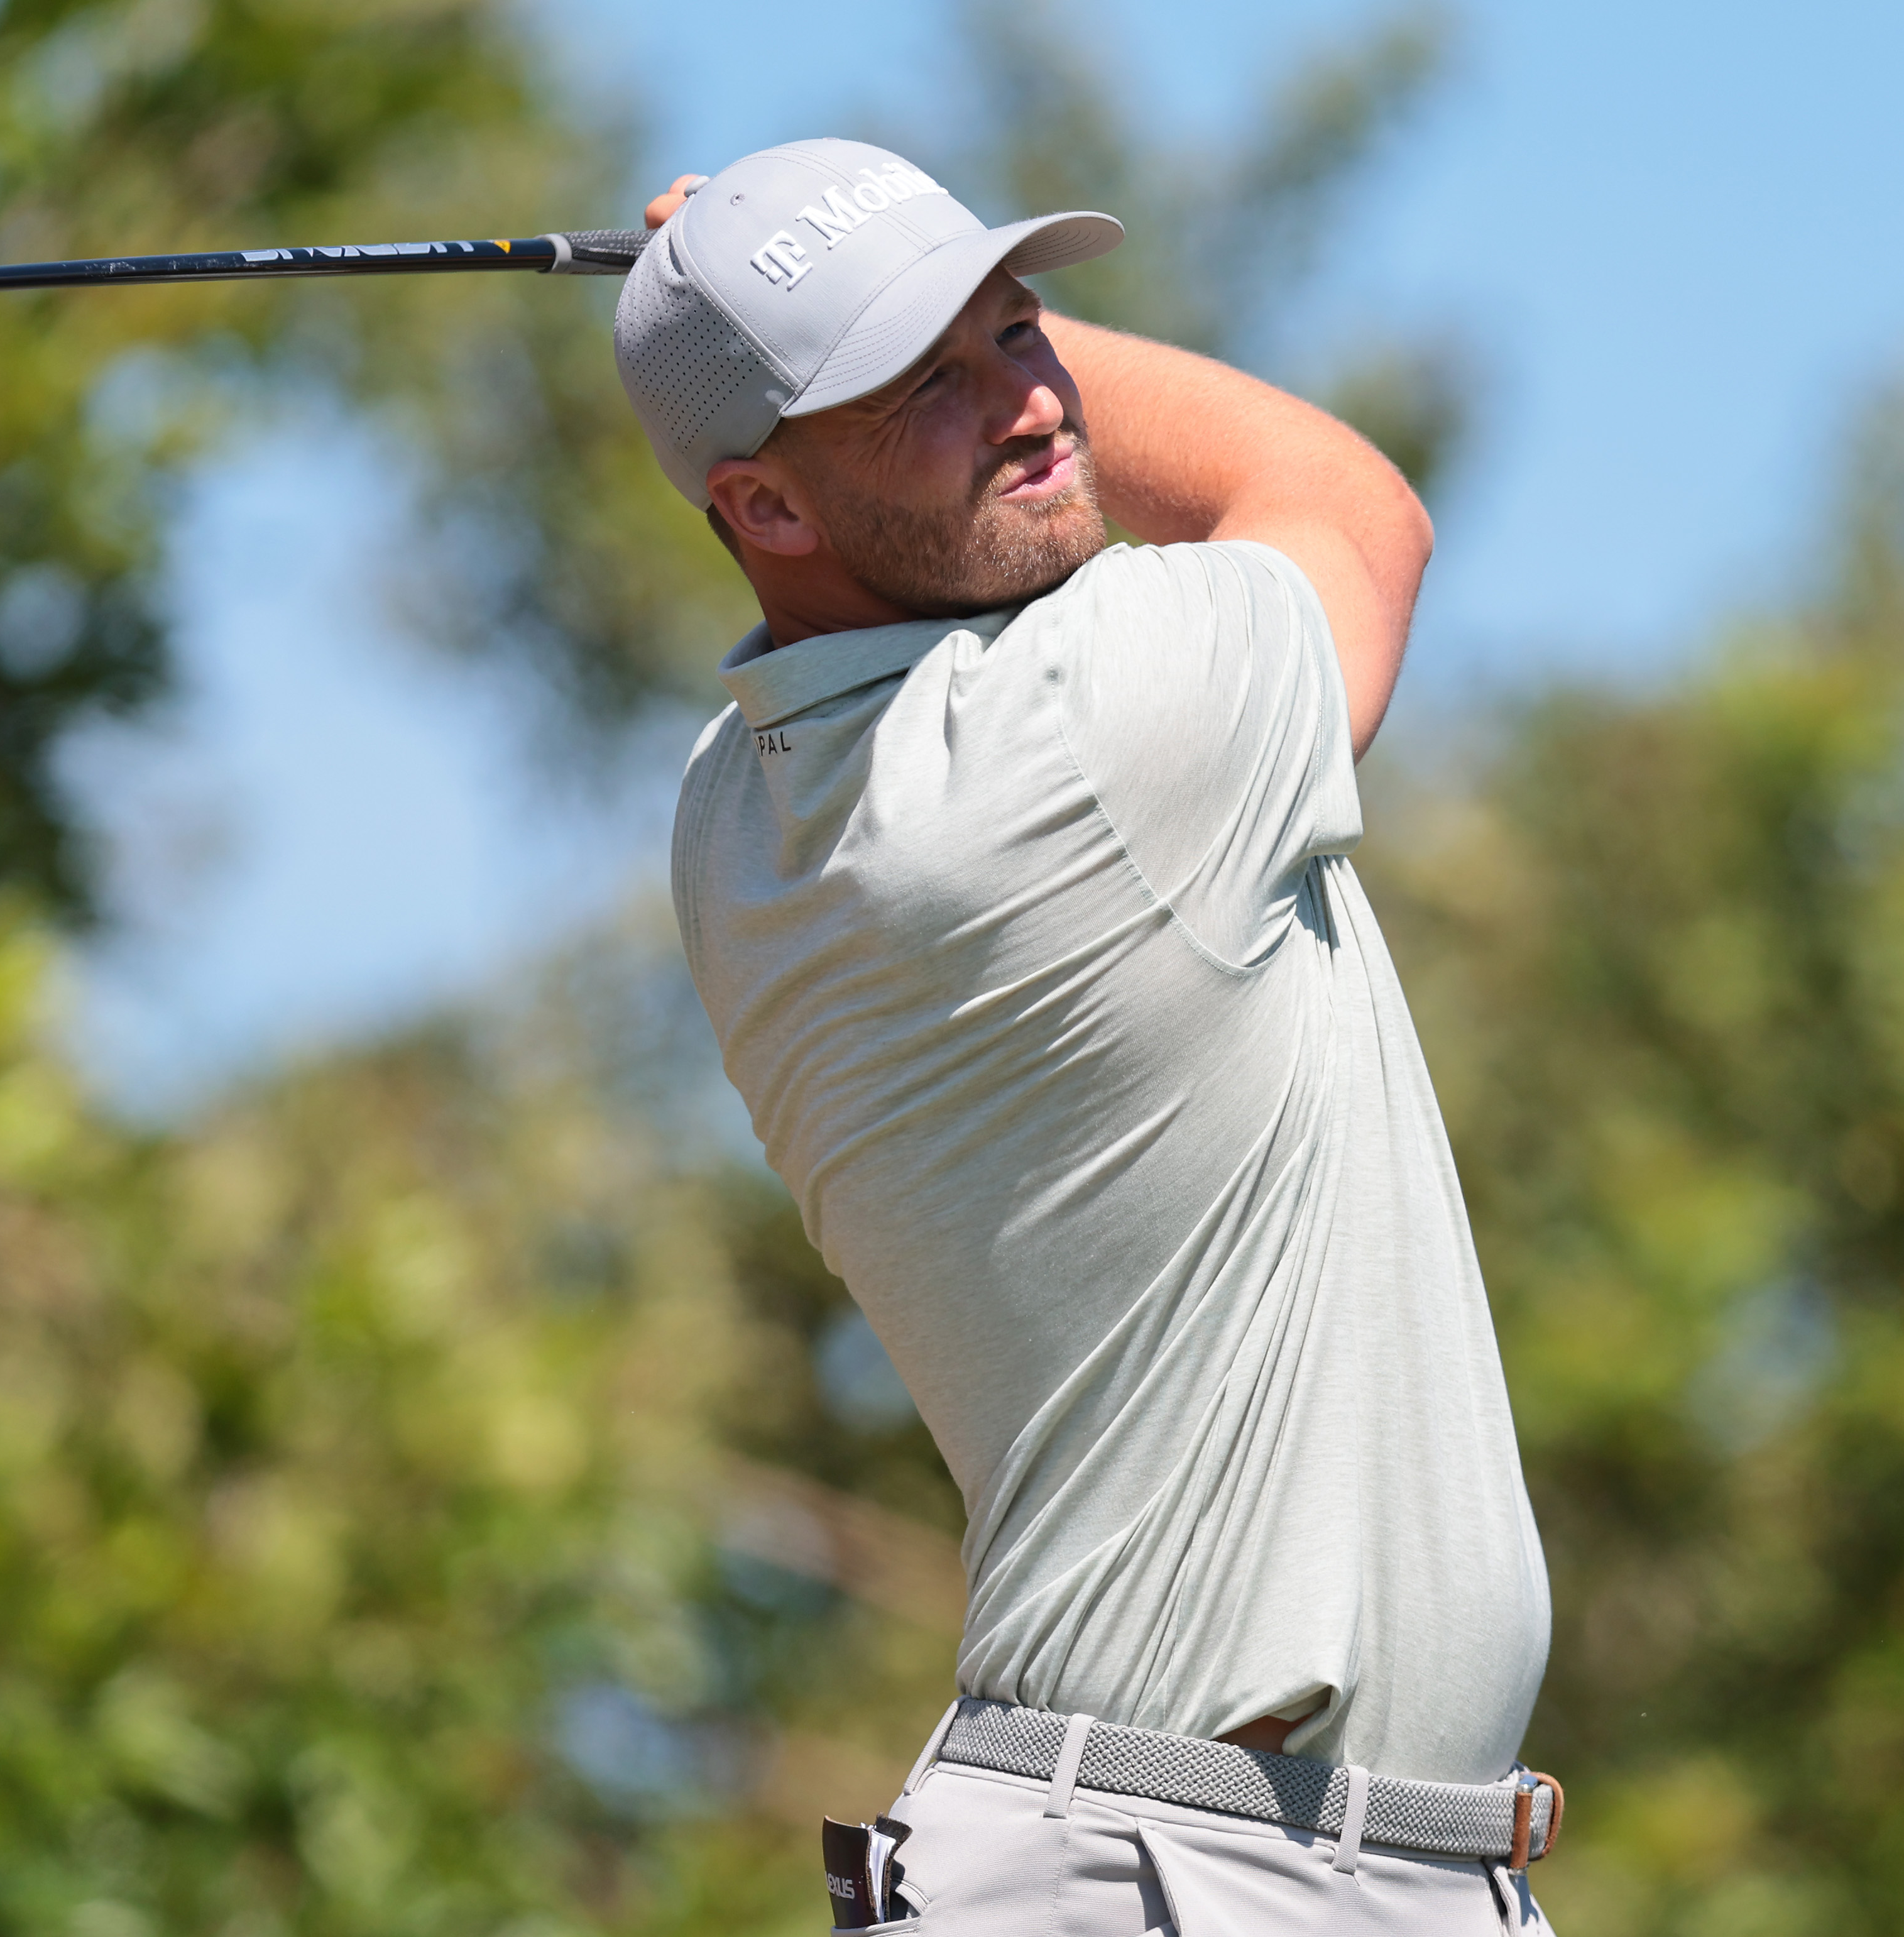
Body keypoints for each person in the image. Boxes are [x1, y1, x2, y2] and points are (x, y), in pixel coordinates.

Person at [620, 140, 1559, 1936]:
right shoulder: (1097, 730)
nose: (1031, 405)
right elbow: (1342, 499)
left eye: (1018, 324)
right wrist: (737, 285)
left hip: (1227, 1858)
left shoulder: (732, 820)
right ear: (769, 510)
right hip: (1187, 1866)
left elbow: (951, 491)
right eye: (926, 386)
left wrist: (765, 321)